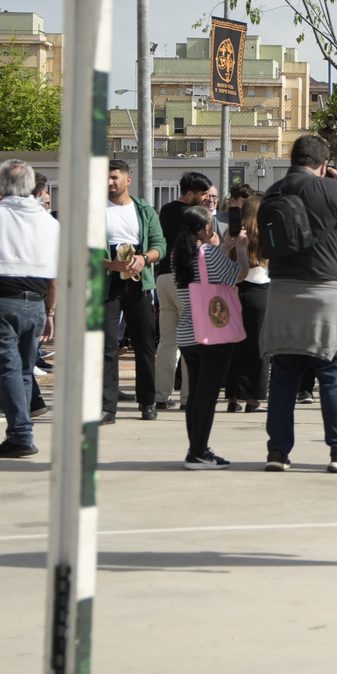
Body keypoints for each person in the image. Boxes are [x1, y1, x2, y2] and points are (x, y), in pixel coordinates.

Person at [260, 134, 337, 473]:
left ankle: (278, 453)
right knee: (334, 374)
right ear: (324, 164)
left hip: (281, 292)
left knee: (283, 376)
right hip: (326, 295)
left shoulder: (274, 191)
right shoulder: (328, 188)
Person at [0, 160, 58, 459]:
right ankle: (21, 430)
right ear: (31, 187)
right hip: (36, 302)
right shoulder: (49, 222)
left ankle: (20, 434)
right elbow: (54, 276)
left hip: (2, 301)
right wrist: (50, 311)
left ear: (0, 186)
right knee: (23, 370)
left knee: (7, 371)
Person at [168, 205, 248, 469]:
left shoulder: (179, 254)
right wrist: (242, 248)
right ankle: (198, 451)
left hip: (188, 333)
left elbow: (208, 275)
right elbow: (240, 274)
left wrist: (224, 247)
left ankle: (197, 448)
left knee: (195, 395)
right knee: (207, 395)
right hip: (213, 334)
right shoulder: (209, 253)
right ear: (206, 228)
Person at [99, 161, 165, 424]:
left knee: (145, 344)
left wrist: (145, 258)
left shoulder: (143, 209)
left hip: (138, 282)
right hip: (107, 283)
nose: (109, 183)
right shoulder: (95, 210)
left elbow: (160, 243)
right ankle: (107, 407)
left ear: (128, 180)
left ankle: (147, 402)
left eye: (114, 177)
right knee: (106, 346)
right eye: (105, 178)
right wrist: (110, 264)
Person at [153, 172, 212, 413]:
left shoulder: (166, 210)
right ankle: (188, 397)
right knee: (192, 341)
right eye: (203, 194)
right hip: (186, 279)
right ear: (190, 194)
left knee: (167, 341)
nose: (206, 198)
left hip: (164, 277)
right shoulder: (192, 215)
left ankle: (161, 396)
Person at [225, 194, 271, 413]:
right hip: (259, 291)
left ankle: (233, 398)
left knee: (235, 347)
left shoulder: (234, 233)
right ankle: (254, 399)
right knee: (259, 348)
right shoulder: (265, 234)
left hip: (234, 291)